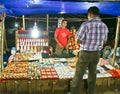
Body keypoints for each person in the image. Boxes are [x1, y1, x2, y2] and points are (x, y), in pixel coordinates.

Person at [71, 6, 109, 94]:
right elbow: (104, 41)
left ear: (90, 14)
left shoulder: (86, 24)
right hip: (96, 53)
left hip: (85, 53)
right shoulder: (104, 26)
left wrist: (85, 42)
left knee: (78, 75)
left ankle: (74, 92)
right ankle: (91, 92)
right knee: (92, 74)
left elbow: (77, 40)